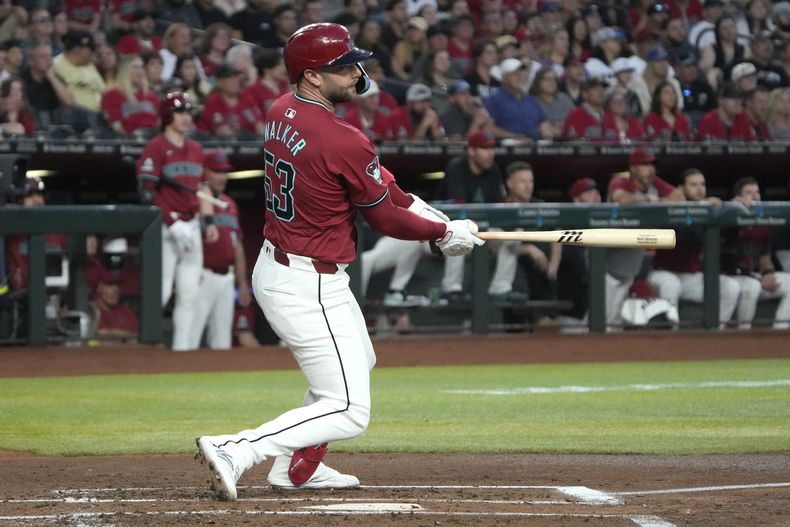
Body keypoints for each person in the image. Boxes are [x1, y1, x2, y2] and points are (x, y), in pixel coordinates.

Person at [194, 22, 482, 500]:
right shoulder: (342, 138)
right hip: (308, 282)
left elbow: (377, 183)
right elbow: (384, 218)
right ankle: (236, 448)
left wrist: (432, 215)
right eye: (343, 67)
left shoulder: (280, 108)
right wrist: (440, 233)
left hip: (288, 266)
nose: (356, 73)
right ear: (311, 76)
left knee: (359, 362)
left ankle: (296, 468)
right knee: (349, 409)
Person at [136, 91, 219, 351]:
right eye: (180, 112)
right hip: (164, 226)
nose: (186, 117)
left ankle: (181, 352)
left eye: (187, 112)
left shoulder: (197, 149)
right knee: (160, 290)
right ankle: (145, 346)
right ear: (167, 115)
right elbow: (146, 192)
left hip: (192, 224)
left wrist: (208, 222)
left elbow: (203, 189)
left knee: (189, 294)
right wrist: (171, 222)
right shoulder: (156, 147)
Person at [647, 168, 740, 327]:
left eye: (702, 184)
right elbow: (685, 233)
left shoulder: (709, 210)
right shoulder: (672, 209)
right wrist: (703, 207)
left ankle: (715, 332)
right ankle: (670, 335)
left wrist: (734, 207)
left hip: (691, 278)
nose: (699, 188)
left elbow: (729, 237)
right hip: (662, 274)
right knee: (671, 284)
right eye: (693, 184)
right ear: (682, 189)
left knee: (731, 287)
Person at [606, 147, 685, 327]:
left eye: (652, 165)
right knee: (603, 316)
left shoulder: (654, 184)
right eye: (645, 165)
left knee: (615, 319)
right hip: (607, 258)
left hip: (631, 259)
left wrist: (652, 200)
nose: (650, 169)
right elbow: (622, 199)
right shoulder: (621, 181)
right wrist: (653, 201)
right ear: (633, 168)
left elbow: (679, 196)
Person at [189, 150, 251, 350]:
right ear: (205, 172)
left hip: (226, 279)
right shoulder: (194, 201)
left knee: (222, 341)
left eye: (224, 172)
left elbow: (238, 247)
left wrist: (242, 284)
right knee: (190, 337)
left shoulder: (230, 204)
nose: (222, 177)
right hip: (202, 276)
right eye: (216, 171)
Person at [725, 177, 790, 330]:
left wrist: (768, 273)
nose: (755, 196)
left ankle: (780, 330)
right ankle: (743, 332)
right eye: (749, 192)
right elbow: (727, 261)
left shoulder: (762, 223)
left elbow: (765, 257)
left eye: (757, 192)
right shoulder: (728, 220)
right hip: (733, 277)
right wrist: (732, 210)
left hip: (755, 277)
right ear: (738, 197)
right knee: (752, 286)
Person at [484, 58, 552, 142]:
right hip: (509, 150)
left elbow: (543, 124)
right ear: (504, 78)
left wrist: (549, 142)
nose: (520, 76)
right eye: (515, 73)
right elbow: (487, 128)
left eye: (521, 73)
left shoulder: (531, 99)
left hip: (536, 148)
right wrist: (515, 137)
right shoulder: (494, 100)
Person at [198, 65, 264, 138]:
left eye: (236, 78)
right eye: (230, 78)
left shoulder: (246, 99)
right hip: (220, 145)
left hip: (251, 145)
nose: (235, 81)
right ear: (220, 82)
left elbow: (259, 125)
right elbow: (223, 132)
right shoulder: (213, 101)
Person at [100, 55, 160, 134]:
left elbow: (160, 121)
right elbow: (116, 126)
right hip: (129, 141)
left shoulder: (151, 96)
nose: (139, 71)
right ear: (124, 71)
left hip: (153, 139)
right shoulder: (111, 96)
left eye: (141, 67)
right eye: (134, 67)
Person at [92, 269, 139, 340]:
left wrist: (112, 332)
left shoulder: (126, 312)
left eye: (117, 285)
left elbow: (138, 334)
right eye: (110, 285)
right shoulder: (92, 311)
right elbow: (99, 334)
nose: (115, 290)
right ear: (99, 288)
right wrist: (127, 335)